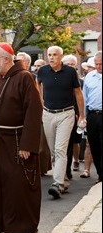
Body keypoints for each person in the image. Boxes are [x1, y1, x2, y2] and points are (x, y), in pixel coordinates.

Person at [0, 42, 43, 233]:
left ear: (6, 59)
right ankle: (12, 231)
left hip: (18, 142)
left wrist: (27, 145)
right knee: (4, 188)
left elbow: (34, 112)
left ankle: (28, 231)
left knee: (22, 188)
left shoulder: (24, 78)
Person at [37, 46, 85, 199]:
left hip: (66, 114)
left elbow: (78, 93)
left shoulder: (70, 72)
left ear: (61, 57)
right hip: (48, 114)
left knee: (60, 149)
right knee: (53, 152)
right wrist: (41, 103)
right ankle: (63, 181)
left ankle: (57, 184)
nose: (51, 57)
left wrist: (81, 115)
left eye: (55, 55)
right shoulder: (43, 71)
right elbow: (38, 86)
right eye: (49, 55)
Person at [61, 55, 83, 179]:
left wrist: (81, 115)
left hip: (75, 115)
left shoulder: (81, 81)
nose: (70, 66)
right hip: (61, 114)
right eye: (67, 64)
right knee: (64, 145)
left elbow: (82, 98)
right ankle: (65, 170)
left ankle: (73, 163)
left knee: (73, 142)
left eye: (72, 64)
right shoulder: (58, 78)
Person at [82, 51, 102, 184]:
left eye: (101, 64)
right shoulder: (89, 77)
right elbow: (84, 98)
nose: (99, 66)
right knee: (94, 145)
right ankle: (100, 173)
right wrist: (83, 116)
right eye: (97, 64)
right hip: (93, 115)